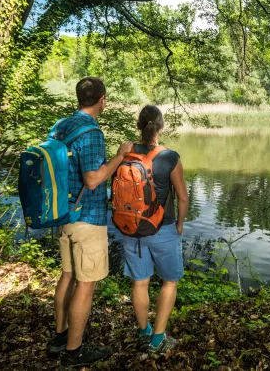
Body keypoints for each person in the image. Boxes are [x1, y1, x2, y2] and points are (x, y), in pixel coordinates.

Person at [49, 77, 133, 368]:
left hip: (63, 215)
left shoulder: (62, 125)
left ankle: (59, 337)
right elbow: (94, 179)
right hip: (87, 218)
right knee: (86, 283)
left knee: (67, 275)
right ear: (102, 100)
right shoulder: (92, 132)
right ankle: (74, 352)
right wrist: (119, 157)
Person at [122, 105, 189, 353]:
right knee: (170, 281)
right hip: (162, 228)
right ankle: (158, 339)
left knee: (140, 283)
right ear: (161, 126)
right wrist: (180, 224)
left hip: (131, 228)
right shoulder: (170, 157)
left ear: (139, 126)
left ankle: (144, 331)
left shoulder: (126, 154)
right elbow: (182, 198)